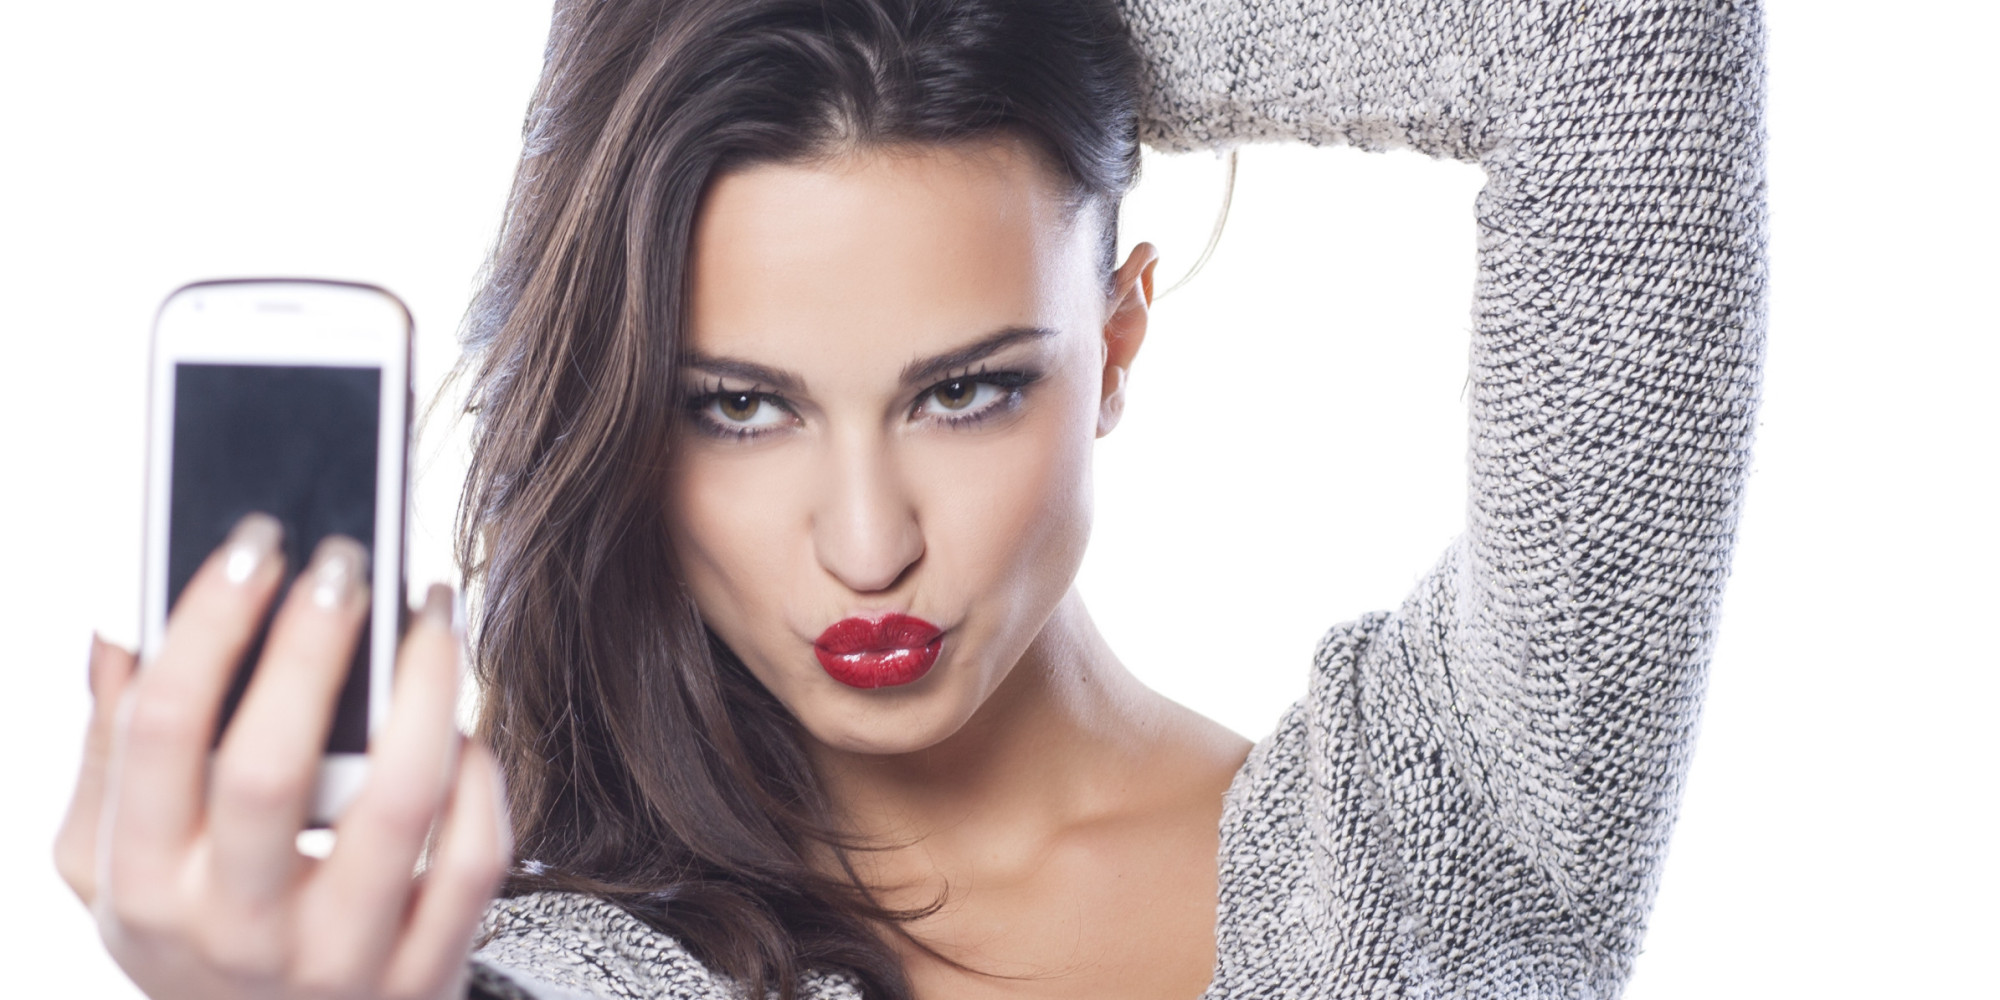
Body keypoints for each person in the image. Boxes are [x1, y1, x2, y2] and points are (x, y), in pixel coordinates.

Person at [54, 0, 1767, 997]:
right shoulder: (545, 968)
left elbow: (1610, 27)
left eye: (966, 390)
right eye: (740, 407)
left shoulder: (1440, 860)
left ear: (1117, 339)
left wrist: (1022, 24)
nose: (867, 545)